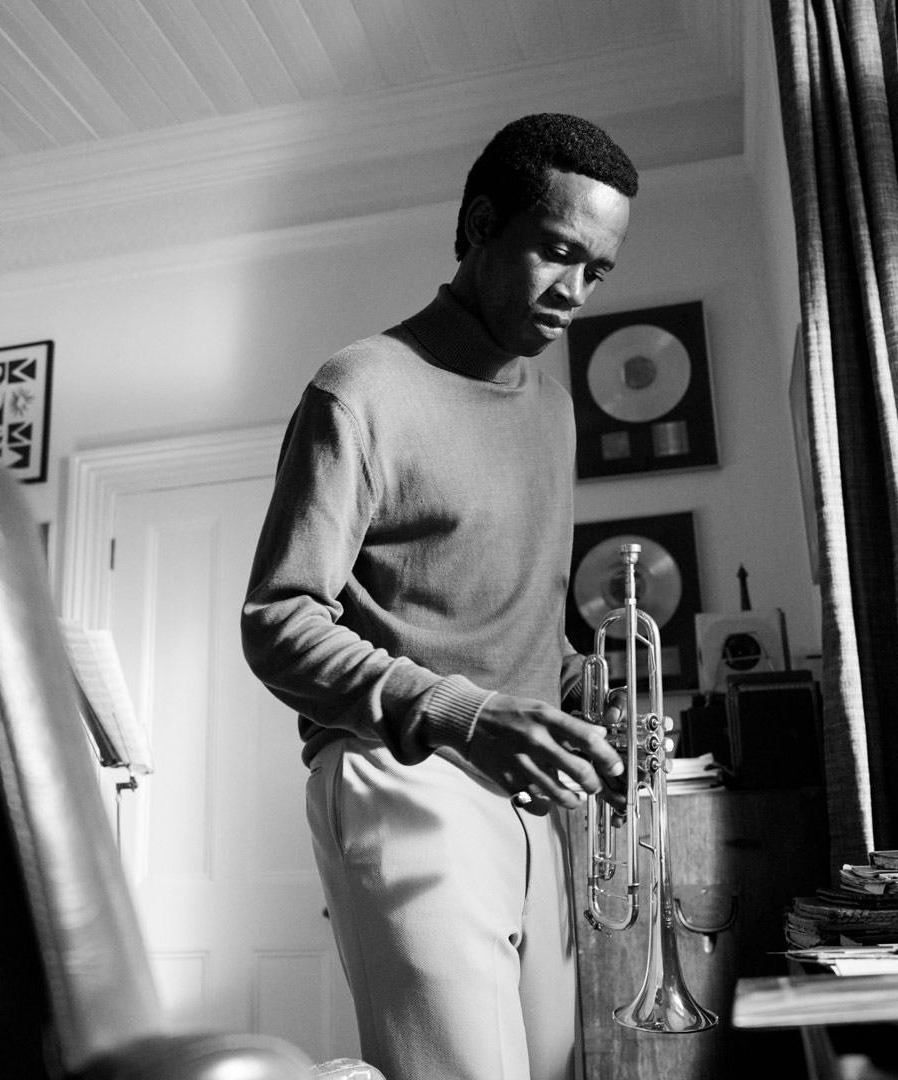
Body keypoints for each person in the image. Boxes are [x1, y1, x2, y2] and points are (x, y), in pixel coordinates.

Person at [241, 113, 637, 1080]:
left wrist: (590, 690)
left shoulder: (552, 401)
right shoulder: (360, 389)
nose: (575, 293)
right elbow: (279, 622)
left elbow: (503, 622)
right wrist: (464, 713)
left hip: (530, 799)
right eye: (557, 252)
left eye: (598, 270)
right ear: (480, 222)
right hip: (400, 775)